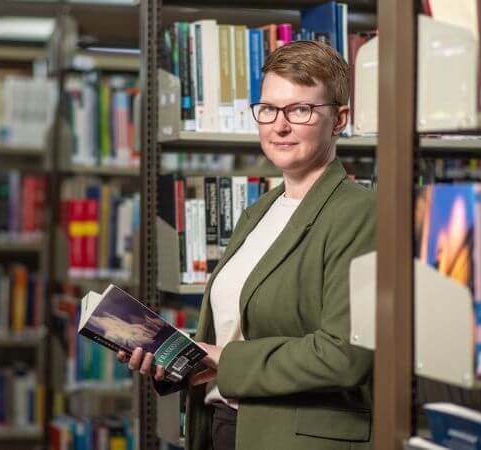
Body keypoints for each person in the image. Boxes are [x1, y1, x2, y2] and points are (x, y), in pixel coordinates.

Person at [118, 40, 375, 450]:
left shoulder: (362, 213)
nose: (280, 126)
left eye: (301, 110)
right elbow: (234, 332)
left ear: (340, 118)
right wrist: (175, 356)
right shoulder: (258, 212)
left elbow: (345, 355)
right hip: (226, 426)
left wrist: (223, 359)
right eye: (269, 109)